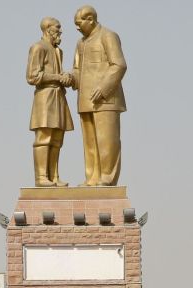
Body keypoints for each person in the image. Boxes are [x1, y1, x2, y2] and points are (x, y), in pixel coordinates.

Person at [69, 5, 127, 186]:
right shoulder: (80, 43)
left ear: (91, 20)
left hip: (106, 100)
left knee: (107, 141)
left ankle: (107, 178)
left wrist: (103, 89)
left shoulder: (108, 36)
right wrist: (69, 77)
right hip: (85, 100)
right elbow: (77, 70)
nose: (77, 28)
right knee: (90, 144)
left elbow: (119, 65)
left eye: (79, 24)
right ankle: (92, 178)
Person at [27, 16, 74, 187]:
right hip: (45, 96)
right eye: (57, 27)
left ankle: (54, 176)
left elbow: (59, 74)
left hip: (58, 96)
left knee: (57, 139)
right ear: (48, 29)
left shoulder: (58, 51)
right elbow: (32, 76)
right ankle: (41, 177)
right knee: (44, 137)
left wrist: (67, 77)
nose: (60, 31)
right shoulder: (38, 47)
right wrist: (57, 77)